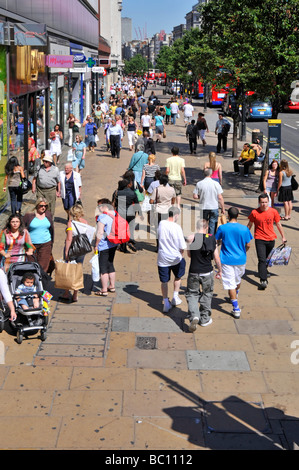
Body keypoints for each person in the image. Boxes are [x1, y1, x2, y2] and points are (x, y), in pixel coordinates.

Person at [215, 207, 253, 318]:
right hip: (241, 259)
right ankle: (235, 295)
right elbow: (249, 244)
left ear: (228, 215)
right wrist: (243, 252)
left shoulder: (223, 228)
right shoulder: (244, 229)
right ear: (238, 215)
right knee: (237, 280)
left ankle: (236, 308)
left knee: (230, 283)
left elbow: (217, 240)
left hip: (227, 260)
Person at [185, 218, 221, 331]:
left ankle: (194, 315)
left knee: (192, 294)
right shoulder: (212, 239)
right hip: (207, 272)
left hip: (193, 271)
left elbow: (189, 255)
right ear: (207, 228)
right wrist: (220, 270)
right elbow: (216, 257)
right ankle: (205, 319)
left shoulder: (191, 238)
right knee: (207, 294)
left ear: (197, 227)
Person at [247, 193, 287, 290]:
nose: (264, 204)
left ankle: (264, 271)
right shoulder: (254, 213)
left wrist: (283, 237)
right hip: (259, 239)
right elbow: (249, 225)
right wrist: (245, 237)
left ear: (268, 202)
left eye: (266, 202)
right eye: (262, 202)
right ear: (259, 202)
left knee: (267, 259)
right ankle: (263, 280)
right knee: (262, 259)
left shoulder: (273, 212)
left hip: (271, 239)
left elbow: (278, 224)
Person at [157, 206, 186, 313]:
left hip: (163, 257)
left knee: (164, 281)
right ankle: (175, 297)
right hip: (175, 258)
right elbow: (182, 246)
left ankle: (165, 301)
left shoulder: (161, 223)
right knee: (178, 276)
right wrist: (181, 255)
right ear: (176, 215)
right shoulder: (177, 227)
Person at [60, 203, 90, 302]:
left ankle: (66, 292)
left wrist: (66, 252)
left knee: (68, 270)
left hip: (72, 249)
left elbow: (69, 239)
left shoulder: (70, 223)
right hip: (81, 250)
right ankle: (75, 294)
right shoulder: (85, 222)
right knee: (78, 271)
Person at [23, 198, 54, 273]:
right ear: (37, 205)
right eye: (41, 206)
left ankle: (41, 282)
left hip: (45, 244)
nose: (43, 208)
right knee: (31, 265)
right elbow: (23, 228)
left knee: (43, 266)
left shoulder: (48, 214)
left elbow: (51, 229)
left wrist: (51, 243)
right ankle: (32, 282)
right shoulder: (29, 215)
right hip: (31, 245)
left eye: (45, 206)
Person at [94, 199, 118, 296]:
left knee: (103, 268)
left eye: (100, 206)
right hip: (114, 244)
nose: (98, 208)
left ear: (105, 206)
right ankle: (112, 286)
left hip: (104, 245)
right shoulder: (115, 215)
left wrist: (96, 245)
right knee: (110, 264)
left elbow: (99, 233)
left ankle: (104, 290)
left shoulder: (102, 217)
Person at [193, 168, 225, 236]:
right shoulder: (216, 184)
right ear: (211, 174)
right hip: (214, 207)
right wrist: (223, 208)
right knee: (212, 224)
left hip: (204, 207)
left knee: (203, 223)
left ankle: (203, 236)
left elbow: (195, 196)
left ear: (203, 174)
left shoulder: (199, 183)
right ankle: (210, 238)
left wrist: (201, 196)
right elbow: (220, 197)